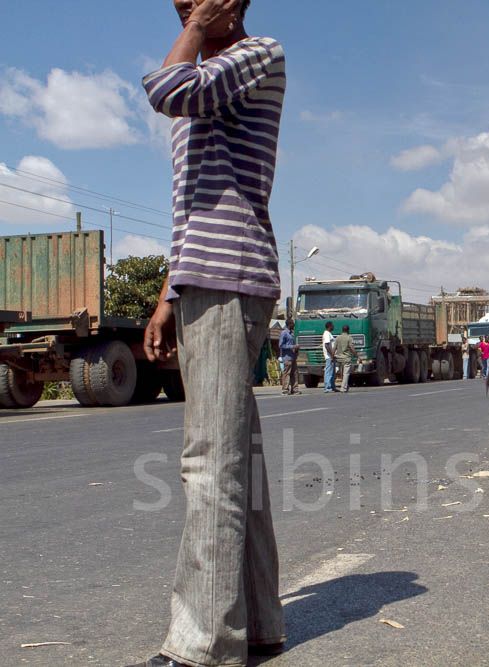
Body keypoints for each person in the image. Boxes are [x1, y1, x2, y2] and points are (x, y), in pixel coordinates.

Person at [137, 0, 287, 665]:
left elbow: (164, 89)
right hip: (205, 276)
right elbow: (191, 204)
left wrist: (194, 30)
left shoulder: (257, 56)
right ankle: (258, 621)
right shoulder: (207, 77)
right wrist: (169, 294)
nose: (186, 5)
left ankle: (204, 642)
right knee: (237, 458)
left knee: (211, 462)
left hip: (230, 277)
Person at [333, 325, 358, 392]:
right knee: (346, 374)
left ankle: (346, 387)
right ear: (348, 330)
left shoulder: (338, 338)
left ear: (342, 330)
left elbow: (334, 348)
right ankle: (343, 388)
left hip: (338, 358)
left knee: (341, 374)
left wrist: (332, 356)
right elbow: (352, 348)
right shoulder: (349, 338)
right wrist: (356, 355)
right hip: (346, 358)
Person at [279, 319, 300, 395]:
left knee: (294, 373)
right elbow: (281, 345)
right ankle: (285, 390)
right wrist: (293, 346)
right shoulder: (284, 333)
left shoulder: (292, 333)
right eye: (293, 324)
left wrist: (296, 349)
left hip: (293, 357)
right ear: (289, 324)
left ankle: (295, 389)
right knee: (287, 373)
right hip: (287, 357)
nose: (294, 325)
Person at [322, 321, 336, 392]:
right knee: (329, 372)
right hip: (329, 356)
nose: (333, 327)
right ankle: (327, 387)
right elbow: (326, 345)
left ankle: (332, 386)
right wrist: (332, 354)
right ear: (330, 326)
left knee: (332, 372)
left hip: (331, 356)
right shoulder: (327, 334)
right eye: (332, 325)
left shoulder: (329, 334)